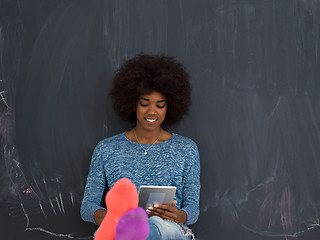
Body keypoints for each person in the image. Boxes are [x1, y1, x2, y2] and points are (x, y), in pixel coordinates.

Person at [80, 54, 200, 240]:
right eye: (144, 104)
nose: (152, 111)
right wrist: (114, 217)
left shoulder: (186, 149)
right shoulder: (106, 149)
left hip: (169, 231)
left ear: (169, 108)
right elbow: (88, 207)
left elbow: (192, 208)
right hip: (121, 230)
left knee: (156, 227)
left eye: (160, 106)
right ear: (132, 104)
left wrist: (178, 216)